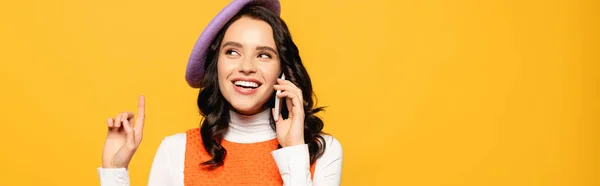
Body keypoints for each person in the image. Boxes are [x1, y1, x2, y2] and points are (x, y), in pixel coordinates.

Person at [96, 0, 343, 185]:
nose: (246, 67)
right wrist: (113, 171)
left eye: (263, 55)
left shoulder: (322, 150)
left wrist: (294, 151)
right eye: (232, 52)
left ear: (283, 70)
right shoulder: (175, 151)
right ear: (216, 65)